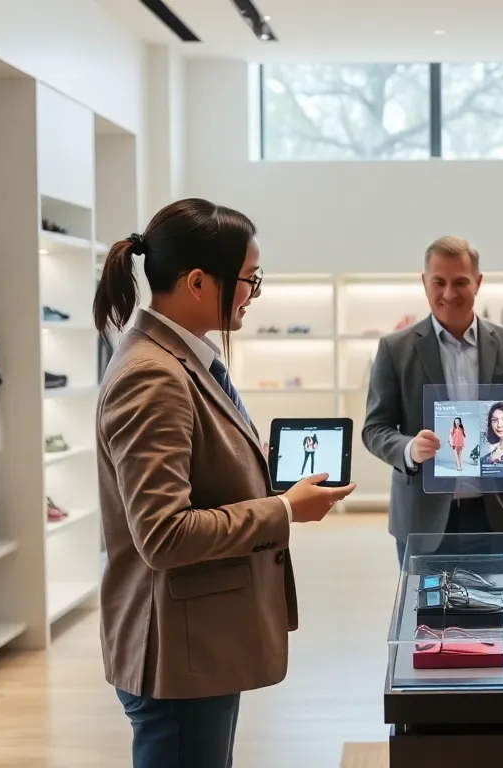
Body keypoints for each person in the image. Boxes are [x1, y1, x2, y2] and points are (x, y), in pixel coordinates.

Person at [91, 198, 356, 768]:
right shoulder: (153, 376)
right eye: (248, 280)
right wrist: (284, 510)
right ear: (195, 282)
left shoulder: (180, 360)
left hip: (197, 636)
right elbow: (163, 535)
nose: (252, 294)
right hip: (179, 646)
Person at [363, 236, 503, 566]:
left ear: (478, 282)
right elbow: (375, 428)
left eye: (460, 282)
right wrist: (409, 448)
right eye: (438, 282)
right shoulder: (395, 349)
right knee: (427, 617)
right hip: (422, 522)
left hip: (497, 519)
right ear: (424, 281)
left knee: (501, 616)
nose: (448, 294)